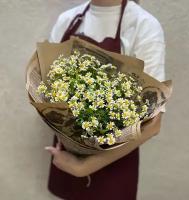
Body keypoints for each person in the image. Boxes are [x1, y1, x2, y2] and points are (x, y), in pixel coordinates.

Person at [45, 0, 166, 199]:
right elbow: (48, 86)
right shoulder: (67, 20)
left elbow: (152, 124)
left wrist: (83, 167)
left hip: (114, 165)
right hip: (65, 157)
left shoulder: (142, 26)